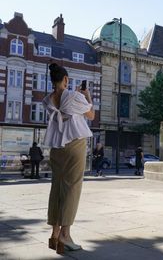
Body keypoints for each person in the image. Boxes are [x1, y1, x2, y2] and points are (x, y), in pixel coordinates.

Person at [42, 63, 95, 254]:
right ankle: (65, 235)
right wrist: (87, 95)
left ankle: (55, 234)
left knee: (57, 188)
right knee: (72, 189)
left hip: (57, 147)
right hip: (75, 145)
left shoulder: (47, 100)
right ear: (65, 79)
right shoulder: (74, 97)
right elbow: (91, 115)